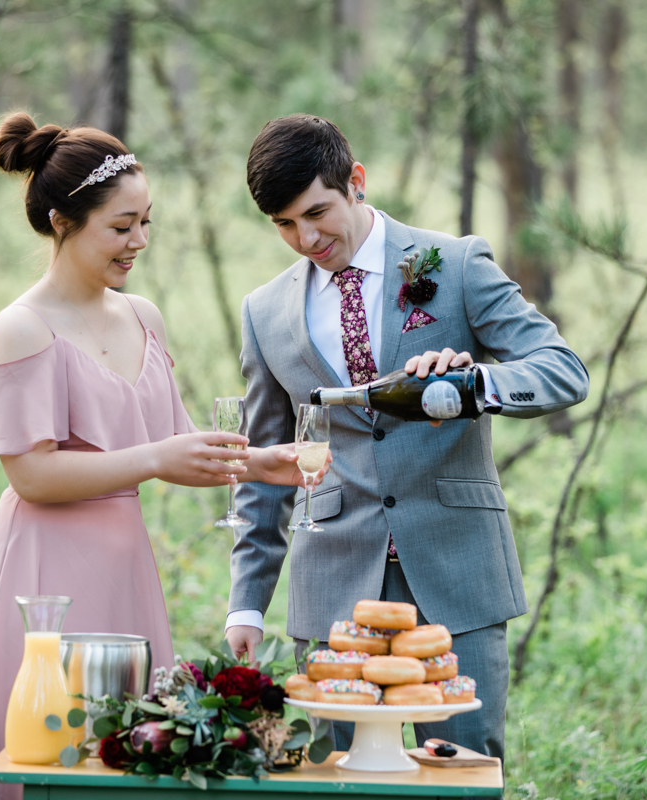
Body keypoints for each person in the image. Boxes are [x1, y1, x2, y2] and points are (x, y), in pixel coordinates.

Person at [0, 113, 317, 800]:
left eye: (146, 222)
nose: (138, 241)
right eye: (121, 227)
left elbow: (176, 442)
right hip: (42, 579)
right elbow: (30, 474)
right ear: (61, 221)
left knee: (128, 763)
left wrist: (264, 462)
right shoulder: (23, 328)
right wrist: (151, 460)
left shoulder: (142, 316)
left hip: (125, 574)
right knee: (49, 761)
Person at [225, 115, 589, 759]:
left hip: (457, 571)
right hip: (332, 583)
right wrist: (246, 604)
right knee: (338, 774)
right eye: (284, 224)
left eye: (317, 212)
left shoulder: (453, 264)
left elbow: (563, 372)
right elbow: (267, 465)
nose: (306, 238)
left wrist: (475, 385)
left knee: (464, 773)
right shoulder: (264, 313)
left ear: (355, 181)